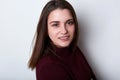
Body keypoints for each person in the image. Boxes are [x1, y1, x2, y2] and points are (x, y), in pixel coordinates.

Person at [28, 0, 97, 80]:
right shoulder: (48, 67)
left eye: (69, 23)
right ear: (46, 29)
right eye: (56, 25)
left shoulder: (73, 48)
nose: (64, 31)